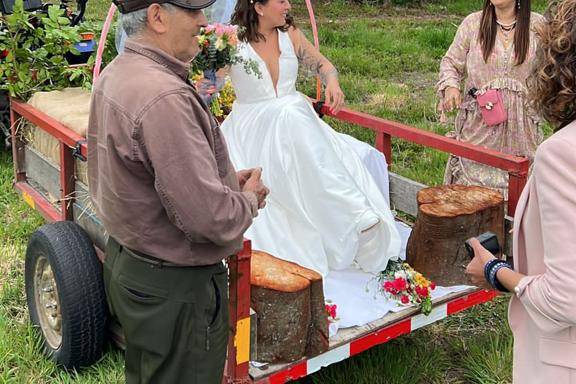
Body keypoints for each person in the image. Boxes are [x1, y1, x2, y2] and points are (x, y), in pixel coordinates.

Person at [87, 1, 268, 383]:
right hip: (175, 290)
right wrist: (248, 200)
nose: (204, 22)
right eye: (192, 11)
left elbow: (145, 177)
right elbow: (211, 220)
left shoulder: (118, 73)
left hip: (134, 268)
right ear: (156, 17)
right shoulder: (164, 97)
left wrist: (220, 184)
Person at [219, 0, 402, 277]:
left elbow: (324, 65)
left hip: (296, 121)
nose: (288, 5)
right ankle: (352, 211)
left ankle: (352, 211)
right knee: (292, 114)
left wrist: (333, 82)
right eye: (281, 1)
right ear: (258, 7)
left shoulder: (290, 34)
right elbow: (209, 84)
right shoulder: (231, 43)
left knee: (293, 113)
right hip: (253, 127)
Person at [465, 1, 576, 381]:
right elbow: (451, 62)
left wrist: (496, 271)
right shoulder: (471, 25)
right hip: (485, 123)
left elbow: (565, 298)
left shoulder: (563, 154)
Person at [438, 0, 545, 199]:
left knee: (520, 187)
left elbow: (555, 66)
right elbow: (450, 63)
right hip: (479, 128)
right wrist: (451, 86)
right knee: (472, 199)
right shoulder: (473, 24)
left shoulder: (538, 26)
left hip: (522, 132)